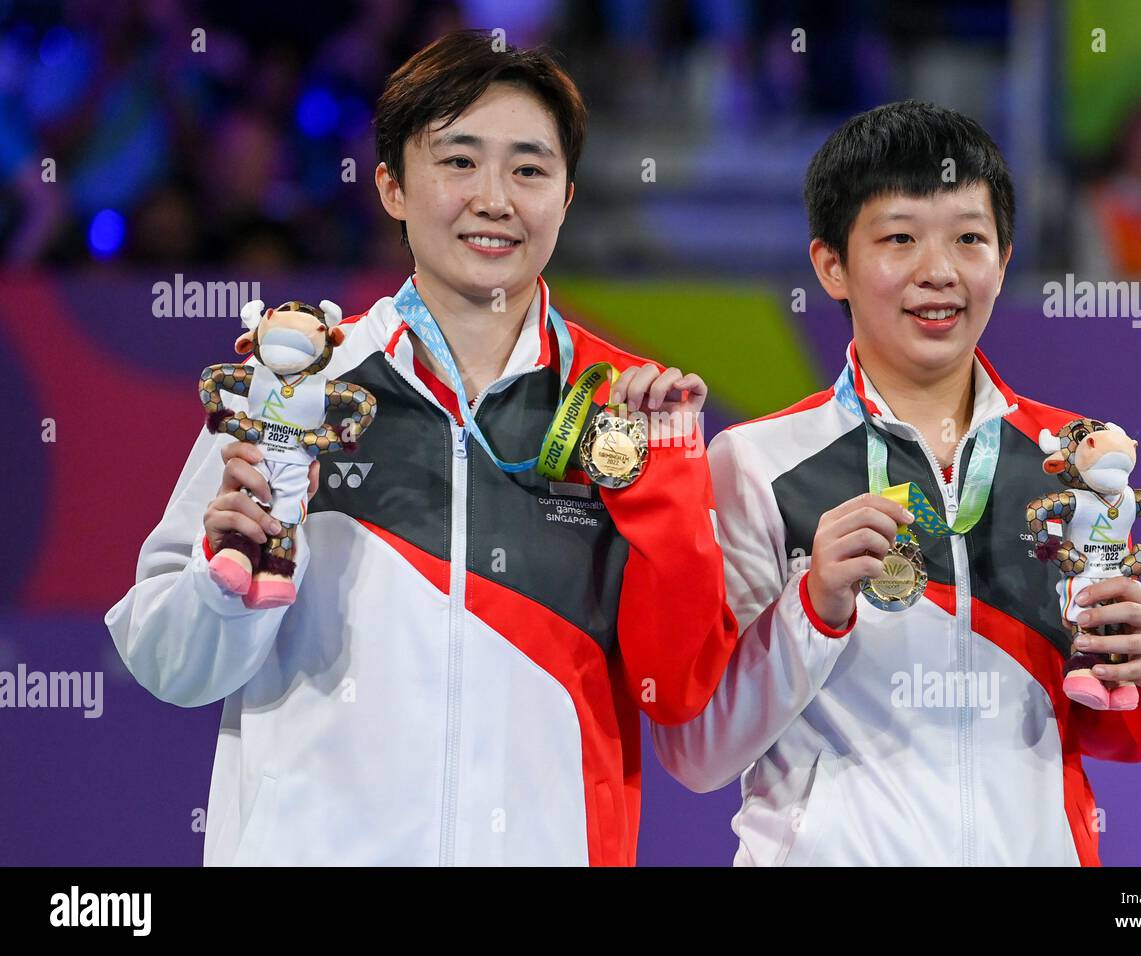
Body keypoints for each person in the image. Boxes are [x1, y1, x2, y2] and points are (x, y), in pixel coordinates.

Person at [106, 29, 738, 866]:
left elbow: (680, 690)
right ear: (392, 186)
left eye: (529, 168)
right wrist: (226, 588)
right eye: (458, 161)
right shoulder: (296, 386)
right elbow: (167, 662)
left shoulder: (631, 405)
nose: (494, 198)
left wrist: (666, 484)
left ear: (568, 196)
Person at [651, 100, 1141, 866]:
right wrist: (813, 609)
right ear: (831, 264)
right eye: (899, 238)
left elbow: (1115, 729)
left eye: (969, 239)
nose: (938, 272)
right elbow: (698, 753)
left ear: (1004, 261)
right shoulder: (756, 464)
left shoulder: (1073, 459)